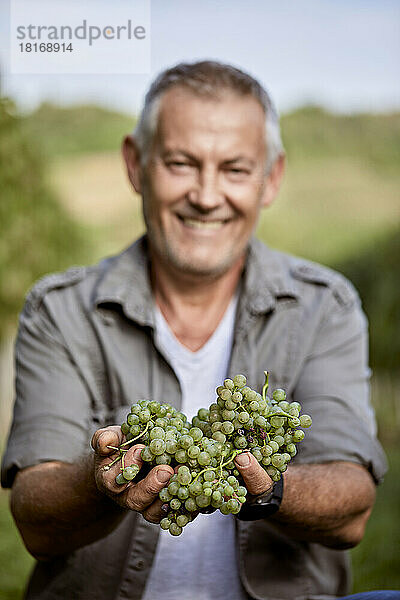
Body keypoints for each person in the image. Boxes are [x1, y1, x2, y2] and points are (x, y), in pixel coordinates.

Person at [1, 61, 393, 600]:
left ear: (271, 178)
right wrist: (100, 479)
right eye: (182, 163)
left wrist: (269, 488)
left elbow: (352, 510)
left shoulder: (325, 307)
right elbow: (35, 520)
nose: (207, 196)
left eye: (234, 169)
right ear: (136, 164)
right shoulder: (61, 311)